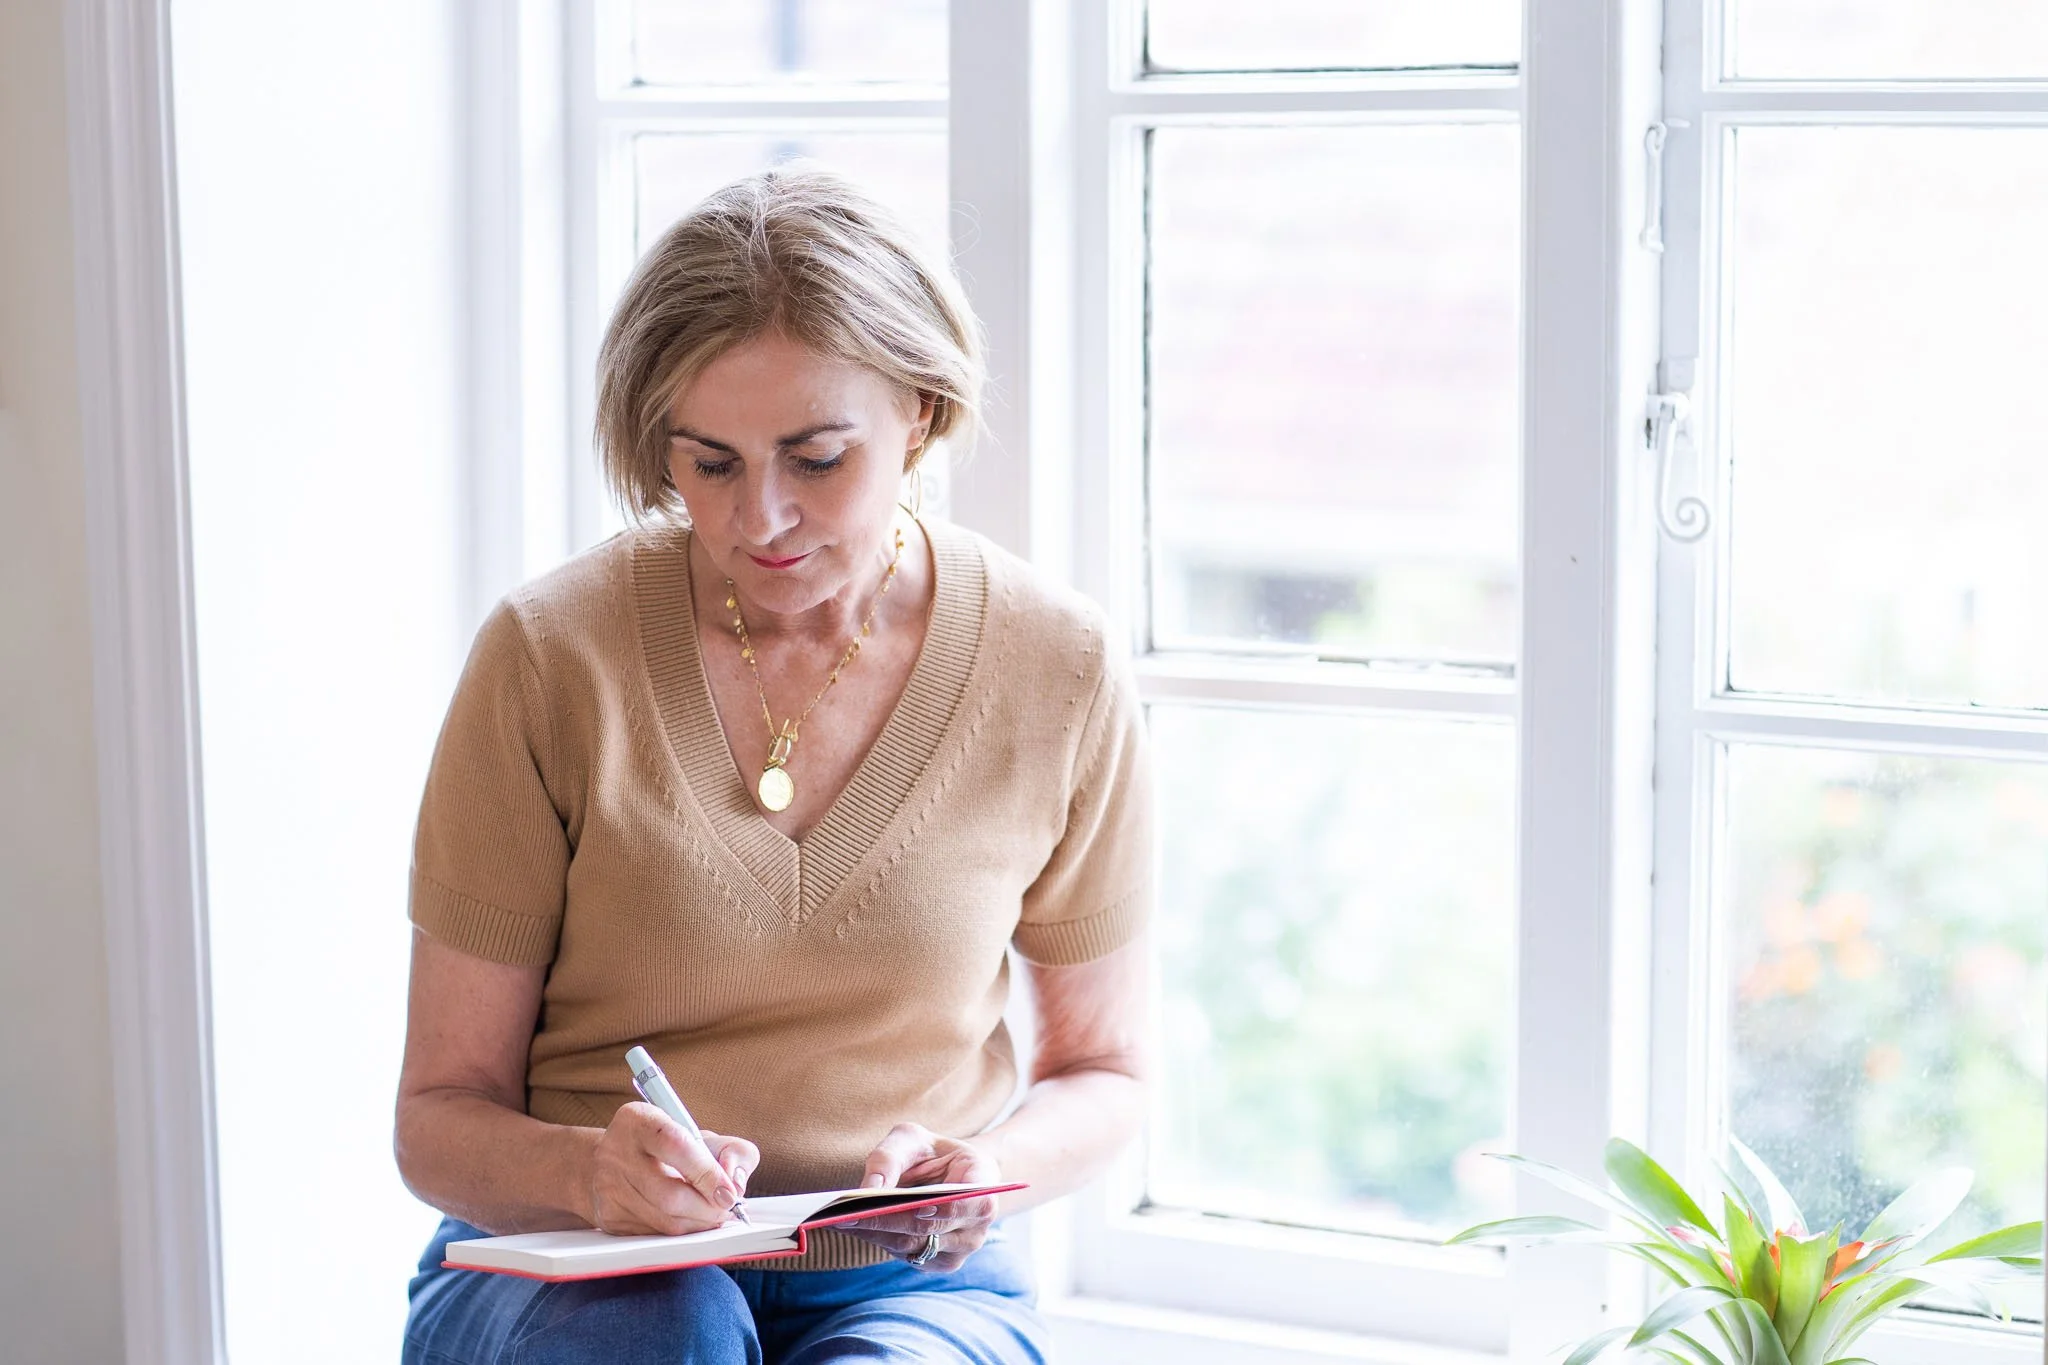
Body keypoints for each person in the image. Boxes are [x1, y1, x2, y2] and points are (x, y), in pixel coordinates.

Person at [394, 166, 1153, 1365]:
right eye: (708, 464)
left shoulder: (1053, 665)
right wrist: (593, 1173)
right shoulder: (550, 660)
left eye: (814, 460)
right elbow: (436, 1122)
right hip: (585, 1264)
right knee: (667, 1332)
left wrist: (988, 1168)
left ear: (920, 409)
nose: (760, 519)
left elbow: (1103, 1069)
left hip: (909, 1278)